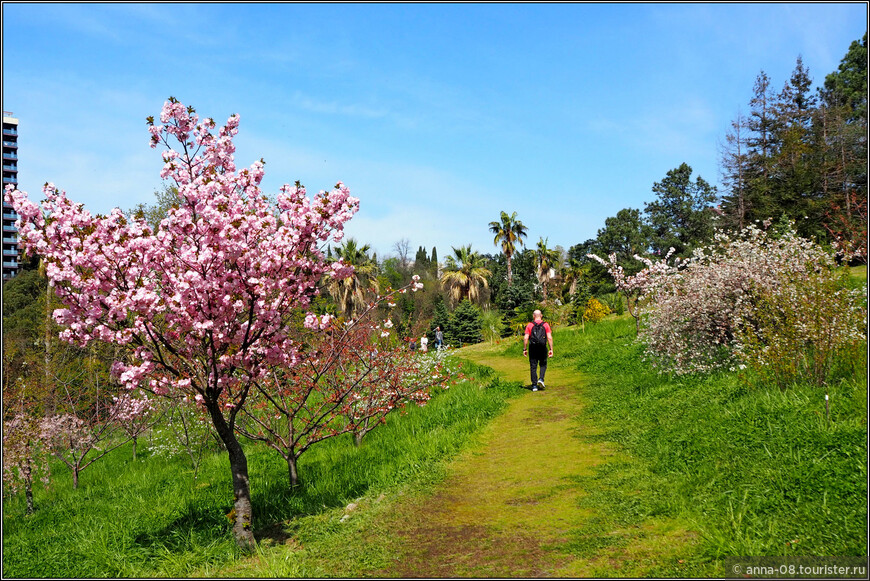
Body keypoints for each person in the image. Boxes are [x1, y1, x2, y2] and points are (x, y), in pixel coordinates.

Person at [523, 310, 553, 391]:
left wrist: (525, 349)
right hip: (543, 347)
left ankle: (534, 386)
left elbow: (526, 338)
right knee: (543, 364)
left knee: (533, 366)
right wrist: (551, 349)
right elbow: (549, 337)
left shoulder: (529, 325)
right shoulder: (546, 325)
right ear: (541, 315)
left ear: (533, 316)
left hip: (533, 347)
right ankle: (541, 379)